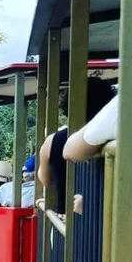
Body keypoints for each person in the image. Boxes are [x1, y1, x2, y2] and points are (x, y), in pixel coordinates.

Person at [37, 78, 116, 213]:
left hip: (66, 222)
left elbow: (45, 179)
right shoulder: (112, 135)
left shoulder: (52, 140)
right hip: (107, 222)